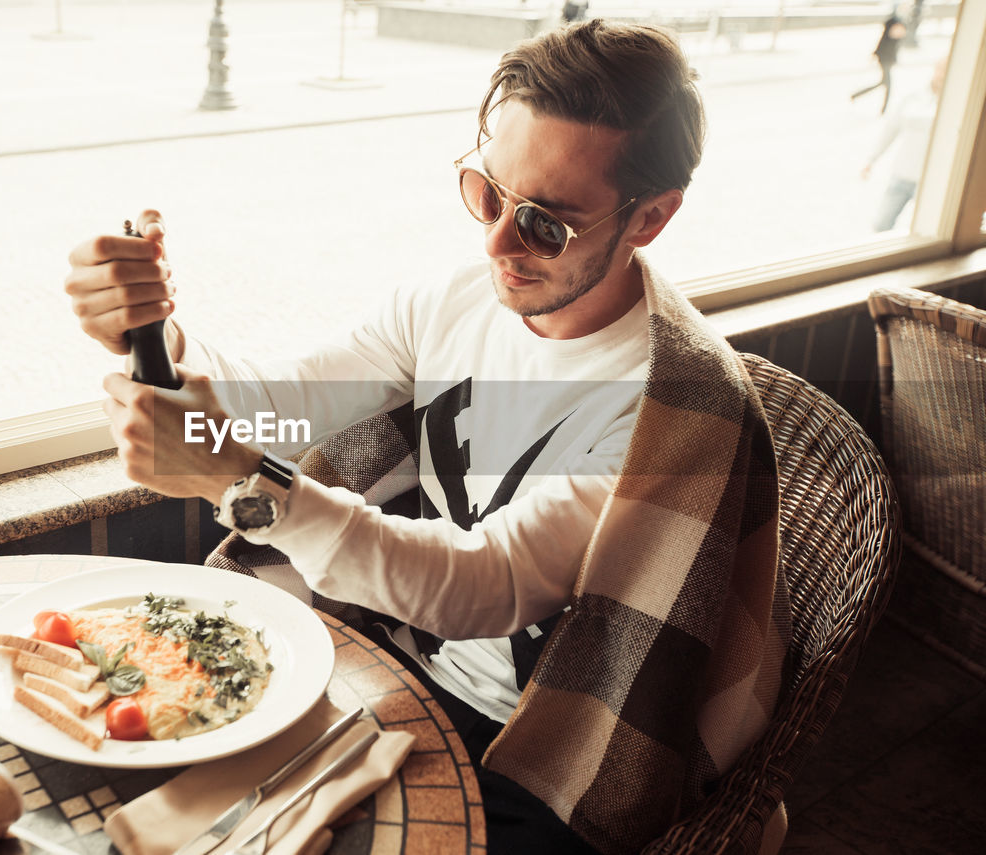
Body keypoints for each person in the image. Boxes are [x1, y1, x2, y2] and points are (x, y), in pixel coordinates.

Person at [65, 19, 788, 854]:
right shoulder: (451, 301)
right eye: (488, 193)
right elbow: (282, 406)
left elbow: (484, 586)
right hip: (410, 666)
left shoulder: (671, 408)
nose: (496, 243)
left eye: (546, 224)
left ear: (651, 218)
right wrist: (152, 336)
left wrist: (247, 483)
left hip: (554, 745)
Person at [862, 56, 947, 232]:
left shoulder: (957, 103)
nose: (942, 75)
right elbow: (890, 130)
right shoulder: (913, 97)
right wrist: (871, 159)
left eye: (948, 70)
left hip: (932, 179)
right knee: (881, 224)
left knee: (928, 229)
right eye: (941, 69)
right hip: (902, 174)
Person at [850, 11, 906, 113]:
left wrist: (876, 53)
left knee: (883, 83)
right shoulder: (896, 26)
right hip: (886, 60)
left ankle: (857, 95)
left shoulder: (891, 26)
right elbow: (887, 44)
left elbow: (883, 42)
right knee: (887, 84)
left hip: (886, 59)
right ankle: (884, 109)